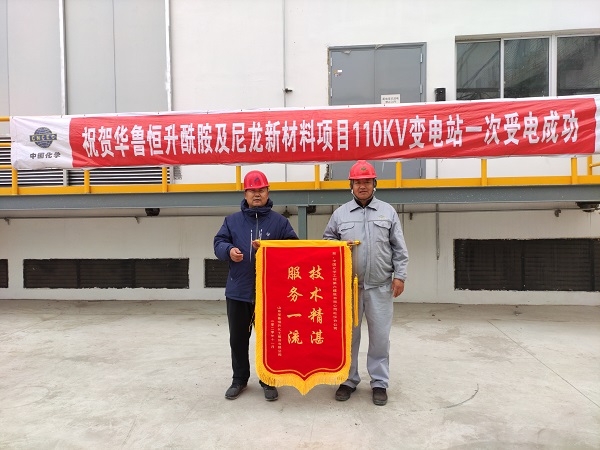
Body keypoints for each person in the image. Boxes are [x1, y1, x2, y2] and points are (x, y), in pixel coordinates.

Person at [323, 160, 408, 406]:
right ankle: (348, 379)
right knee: (349, 336)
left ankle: (379, 382)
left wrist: (400, 275)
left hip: (380, 286)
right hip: (349, 288)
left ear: (374, 184)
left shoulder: (387, 212)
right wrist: (341, 245)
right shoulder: (340, 214)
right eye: (358, 182)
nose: (362, 186)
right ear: (351, 185)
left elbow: (399, 248)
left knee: (380, 337)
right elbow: (327, 242)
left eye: (367, 182)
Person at [214, 169, 298, 401]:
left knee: (269, 338)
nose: (257, 194)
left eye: (261, 190)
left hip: (270, 293)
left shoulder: (280, 222)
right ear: (245, 194)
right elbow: (219, 243)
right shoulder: (232, 221)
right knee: (238, 339)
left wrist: (271, 249)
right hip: (239, 291)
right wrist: (229, 251)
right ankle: (239, 379)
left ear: (268, 192)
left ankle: (268, 379)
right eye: (252, 190)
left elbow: (293, 248)